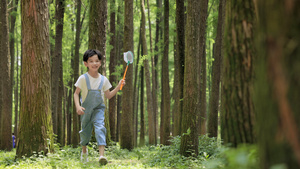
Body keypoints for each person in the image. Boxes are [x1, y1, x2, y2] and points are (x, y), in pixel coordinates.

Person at [74, 49, 125, 164]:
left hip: (99, 109)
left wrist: (118, 87)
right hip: (85, 109)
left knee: (100, 128)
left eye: (97, 61)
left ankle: (101, 156)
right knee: (85, 131)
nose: (94, 63)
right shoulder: (83, 78)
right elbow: (76, 93)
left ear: (100, 63)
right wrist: (78, 106)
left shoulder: (103, 79)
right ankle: (84, 152)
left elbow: (108, 95)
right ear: (85, 64)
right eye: (91, 61)